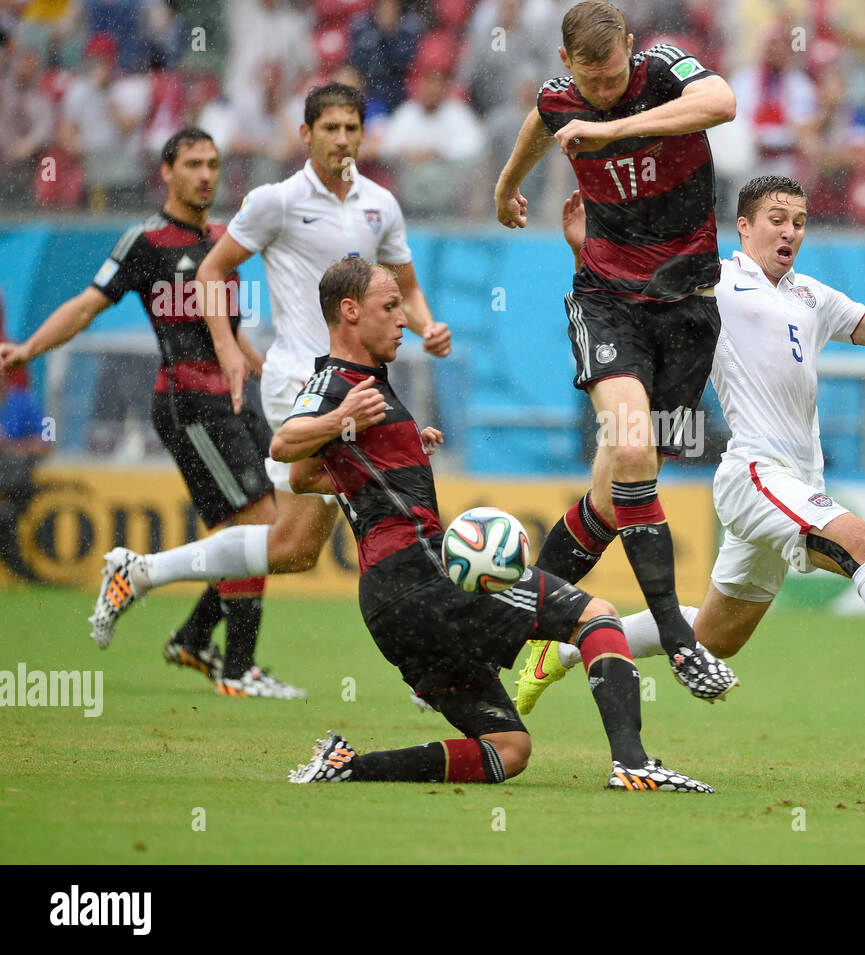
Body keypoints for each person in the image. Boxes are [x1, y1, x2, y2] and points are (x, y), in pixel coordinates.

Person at [516, 177, 865, 712]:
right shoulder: (712, 281)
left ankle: (566, 649)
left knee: (718, 637)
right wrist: (583, 248)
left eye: (800, 222)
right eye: (777, 220)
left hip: (797, 479)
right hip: (757, 473)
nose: (790, 232)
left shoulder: (813, 295)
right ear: (744, 226)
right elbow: (623, 299)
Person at [272, 257, 711, 792]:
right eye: (389, 307)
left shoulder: (365, 389)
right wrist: (342, 421)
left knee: (508, 749)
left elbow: (303, 477)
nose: (402, 320)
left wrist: (397, 448)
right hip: (420, 573)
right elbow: (284, 445)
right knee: (596, 616)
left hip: (387, 607)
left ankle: (348, 767)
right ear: (349, 312)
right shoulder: (339, 385)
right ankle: (634, 765)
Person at [86, 84, 452, 667]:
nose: (341, 139)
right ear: (305, 135)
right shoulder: (275, 201)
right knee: (385, 509)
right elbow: (212, 269)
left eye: (351, 128)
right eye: (329, 128)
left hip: (356, 383)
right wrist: (230, 347)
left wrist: (429, 327)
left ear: (363, 134)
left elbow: (405, 286)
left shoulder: (381, 202)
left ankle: (143, 571)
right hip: (301, 386)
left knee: (294, 545)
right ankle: (429, 662)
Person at [0, 128, 305, 698]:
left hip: (237, 399)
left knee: (274, 531)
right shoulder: (146, 241)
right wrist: (28, 350)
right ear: (166, 172)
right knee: (256, 527)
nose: (206, 174)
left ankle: (193, 638)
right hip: (190, 403)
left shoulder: (225, 239)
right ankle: (237, 668)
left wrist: (278, 377)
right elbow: (88, 304)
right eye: (192, 163)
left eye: (213, 163)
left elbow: (232, 337)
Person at [493, 0, 739, 701]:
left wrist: (613, 129)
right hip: (606, 297)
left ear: (631, 47)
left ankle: (506, 638)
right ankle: (679, 639)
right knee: (632, 450)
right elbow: (540, 124)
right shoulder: (558, 99)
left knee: (610, 495)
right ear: (566, 63)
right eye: (591, 84)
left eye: (613, 75)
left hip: (689, 303)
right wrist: (508, 185)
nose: (602, 90)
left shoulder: (660, 72)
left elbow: (721, 102)